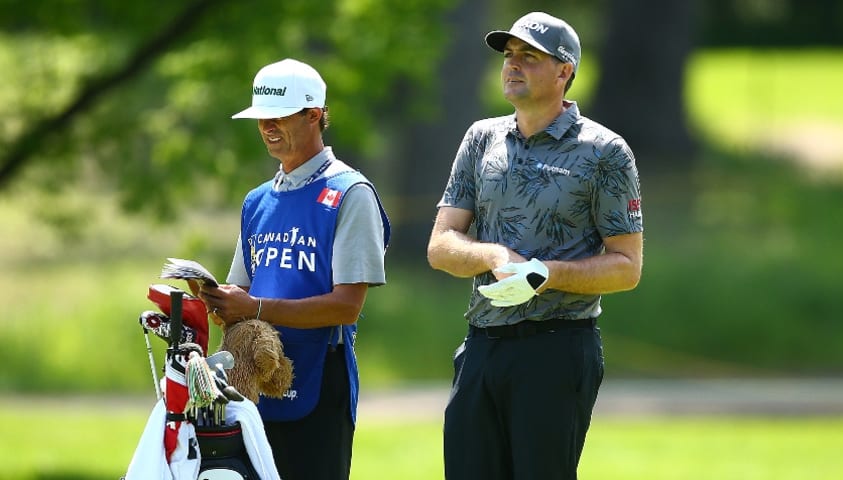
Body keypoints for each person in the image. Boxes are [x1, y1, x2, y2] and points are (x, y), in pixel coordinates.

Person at [426, 11, 643, 480]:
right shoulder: (481, 138)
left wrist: (544, 274)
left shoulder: (604, 151)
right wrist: (495, 256)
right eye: (509, 56)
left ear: (565, 71)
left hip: (557, 348)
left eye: (529, 56)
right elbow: (441, 245)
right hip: (482, 347)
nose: (513, 65)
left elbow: (626, 266)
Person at [199, 58, 391, 480]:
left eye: (280, 117)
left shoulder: (350, 193)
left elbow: (346, 307)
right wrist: (217, 304)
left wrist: (255, 308)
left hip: (320, 376)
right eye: (262, 118)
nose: (268, 127)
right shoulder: (257, 200)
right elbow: (241, 288)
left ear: (315, 115)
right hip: (252, 378)